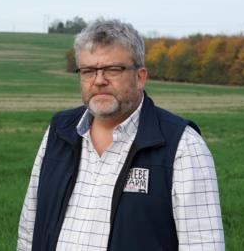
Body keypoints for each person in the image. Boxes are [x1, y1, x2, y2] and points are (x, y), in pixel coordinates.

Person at [17, 19, 224, 250]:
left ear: (140, 77)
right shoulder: (58, 132)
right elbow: (29, 229)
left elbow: (204, 244)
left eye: (112, 69)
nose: (99, 80)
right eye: (88, 71)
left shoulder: (183, 146)